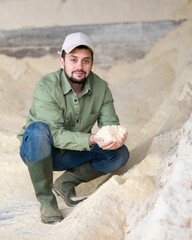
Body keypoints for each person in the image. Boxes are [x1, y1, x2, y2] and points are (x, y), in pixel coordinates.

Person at [17, 32, 129, 224]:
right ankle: (46, 201)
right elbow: (56, 134)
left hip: (73, 152)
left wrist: (115, 136)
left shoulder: (101, 88)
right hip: (40, 150)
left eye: (86, 61)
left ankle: (66, 183)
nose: (79, 66)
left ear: (92, 63)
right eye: (73, 59)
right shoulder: (46, 86)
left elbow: (109, 125)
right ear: (62, 62)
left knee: (120, 154)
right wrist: (92, 139)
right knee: (38, 130)